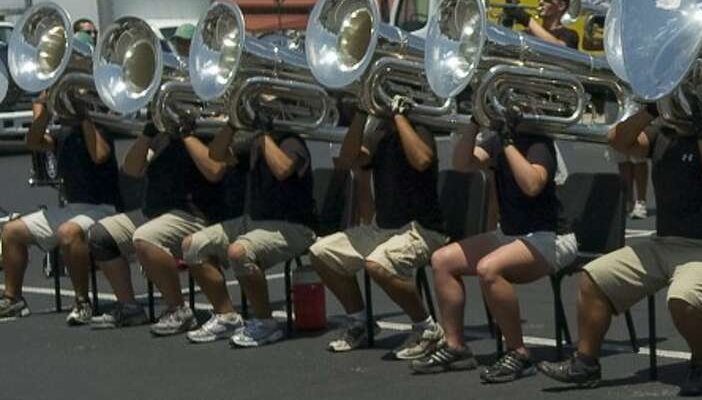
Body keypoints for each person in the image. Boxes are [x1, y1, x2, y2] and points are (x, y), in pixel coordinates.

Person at [538, 90, 702, 396]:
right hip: (662, 245)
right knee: (593, 278)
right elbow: (617, 141)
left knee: (684, 298)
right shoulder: (662, 136)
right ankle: (586, 364)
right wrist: (651, 109)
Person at [412, 106, 576, 383]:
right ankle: (456, 347)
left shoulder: (539, 143)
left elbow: (532, 184)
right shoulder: (498, 140)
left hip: (551, 238)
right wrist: (475, 122)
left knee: (489, 268)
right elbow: (463, 164)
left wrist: (508, 143)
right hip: (511, 235)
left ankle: (519, 353)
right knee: (442, 260)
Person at [309, 98, 452, 358]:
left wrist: (399, 116)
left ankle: (427, 329)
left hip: (421, 229)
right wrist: (361, 114)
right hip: (382, 228)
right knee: (321, 253)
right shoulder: (377, 132)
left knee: (379, 264)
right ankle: (359, 322)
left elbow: (421, 160)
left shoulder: (419, 128)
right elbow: (348, 160)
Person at [89, 111, 240, 329]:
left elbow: (214, 171)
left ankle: (178, 310)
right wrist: (148, 132)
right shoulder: (161, 136)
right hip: (153, 214)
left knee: (145, 238)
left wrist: (186, 135)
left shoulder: (211, 128)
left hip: (194, 215)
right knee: (100, 236)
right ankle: (130, 308)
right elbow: (131, 170)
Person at [179, 118, 321, 347]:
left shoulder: (292, 141)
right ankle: (227, 317)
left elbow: (283, 169)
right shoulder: (254, 144)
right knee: (192, 245)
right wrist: (232, 125)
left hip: (294, 226)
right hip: (254, 222)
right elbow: (215, 156)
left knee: (239, 252)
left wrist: (263, 134)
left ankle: (266, 324)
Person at [0, 91, 121, 322]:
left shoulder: (99, 128)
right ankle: (13, 300)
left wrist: (83, 116)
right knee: (11, 231)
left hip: (103, 208)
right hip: (73, 209)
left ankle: (82, 302)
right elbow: (33, 142)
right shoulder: (62, 134)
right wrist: (44, 112)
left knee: (69, 232)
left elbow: (99, 155)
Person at [506, 0, 580, 49]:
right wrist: (507, 20)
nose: (541, 2)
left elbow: (560, 49)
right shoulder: (527, 33)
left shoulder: (570, 35)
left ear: (561, 6)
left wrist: (527, 19)